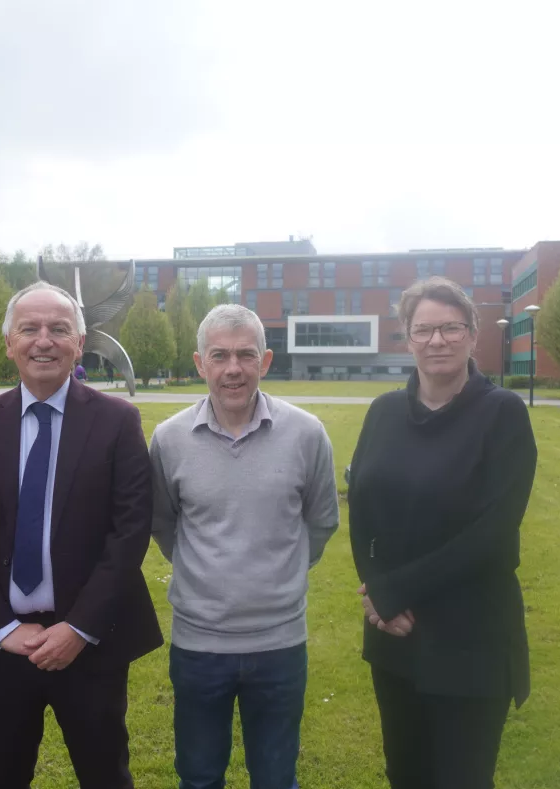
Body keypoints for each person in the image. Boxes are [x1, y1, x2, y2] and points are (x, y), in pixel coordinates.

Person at [0, 281, 163, 788]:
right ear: (10, 343)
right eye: (30, 328)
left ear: (79, 344)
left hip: (91, 644)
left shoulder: (117, 421)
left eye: (59, 329)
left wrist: (78, 628)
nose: (44, 340)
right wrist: (2, 628)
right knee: (5, 773)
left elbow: (130, 531)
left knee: (106, 773)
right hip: (0, 644)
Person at [348, 276, 537, 789]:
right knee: (405, 774)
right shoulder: (383, 413)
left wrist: (392, 592)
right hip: (396, 636)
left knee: (462, 778)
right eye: (424, 329)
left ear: (473, 334)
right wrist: (377, 595)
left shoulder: (502, 415)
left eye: (450, 328)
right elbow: (361, 513)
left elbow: (493, 534)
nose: (437, 341)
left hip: (471, 636)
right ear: (406, 337)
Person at [150, 304, 340, 789]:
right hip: (198, 647)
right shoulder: (169, 440)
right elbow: (164, 526)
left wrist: (280, 574)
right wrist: (210, 578)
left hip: (279, 645)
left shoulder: (306, 434)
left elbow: (320, 522)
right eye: (220, 356)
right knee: (198, 777)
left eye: (245, 355)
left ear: (266, 360)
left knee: (276, 778)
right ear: (200, 363)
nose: (232, 368)